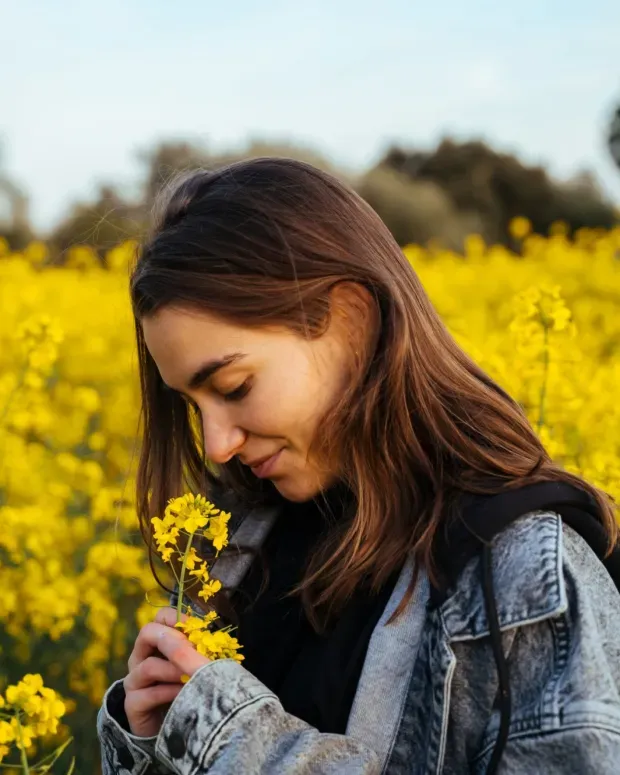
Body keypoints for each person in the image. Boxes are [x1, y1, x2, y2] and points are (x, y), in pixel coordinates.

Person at [97, 157, 620, 774]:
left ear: (351, 321)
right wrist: (152, 741)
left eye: (235, 387)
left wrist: (233, 738)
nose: (216, 445)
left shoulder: (522, 568)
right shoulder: (250, 543)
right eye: (193, 404)